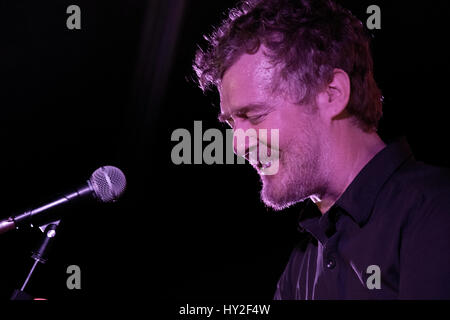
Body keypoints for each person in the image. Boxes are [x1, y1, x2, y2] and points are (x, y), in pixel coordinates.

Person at [192, 0, 450, 299]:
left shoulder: (435, 211)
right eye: (231, 124)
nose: (238, 144)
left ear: (332, 93)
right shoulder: (301, 265)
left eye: (254, 116)